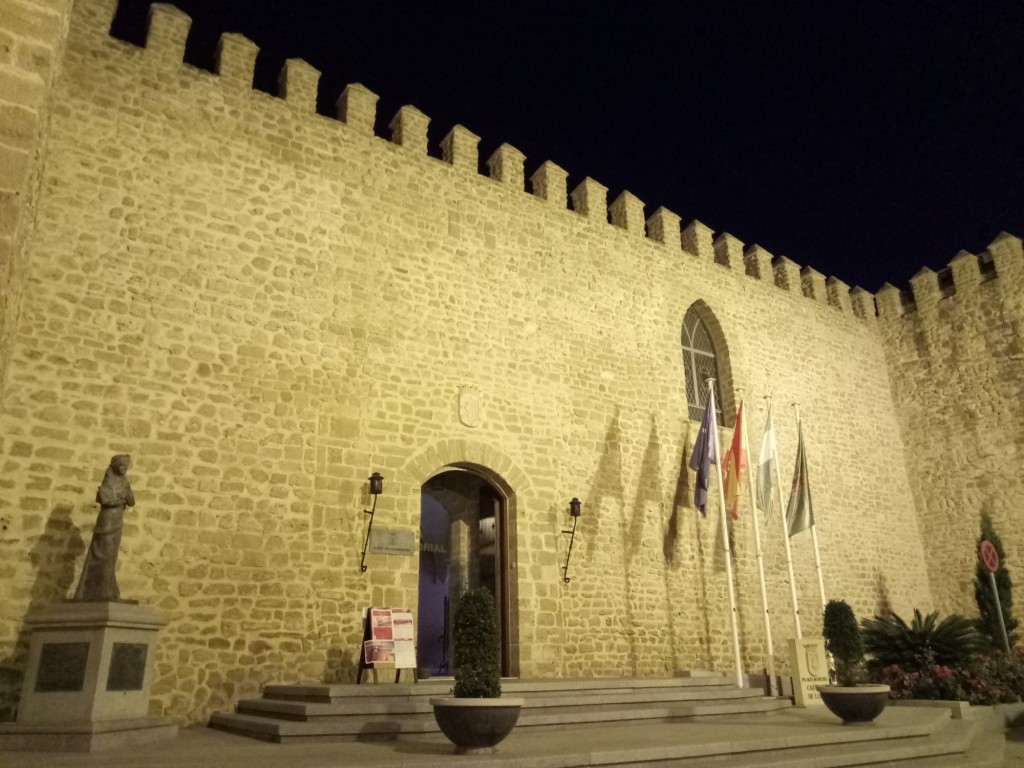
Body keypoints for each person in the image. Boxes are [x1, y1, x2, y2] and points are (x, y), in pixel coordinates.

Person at [73, 454, 135, 601]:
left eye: (125, 467)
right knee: (103, 555)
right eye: (121, 466)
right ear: (114, 467)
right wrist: (121, 498)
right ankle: (96, 590)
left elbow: (132, 501)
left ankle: (107, 588)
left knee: (111, 557)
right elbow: (107, 500)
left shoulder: (125, 483)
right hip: (106, 521)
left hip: (117, 521)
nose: (123, 469)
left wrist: (125, 495)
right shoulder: (109, 482)